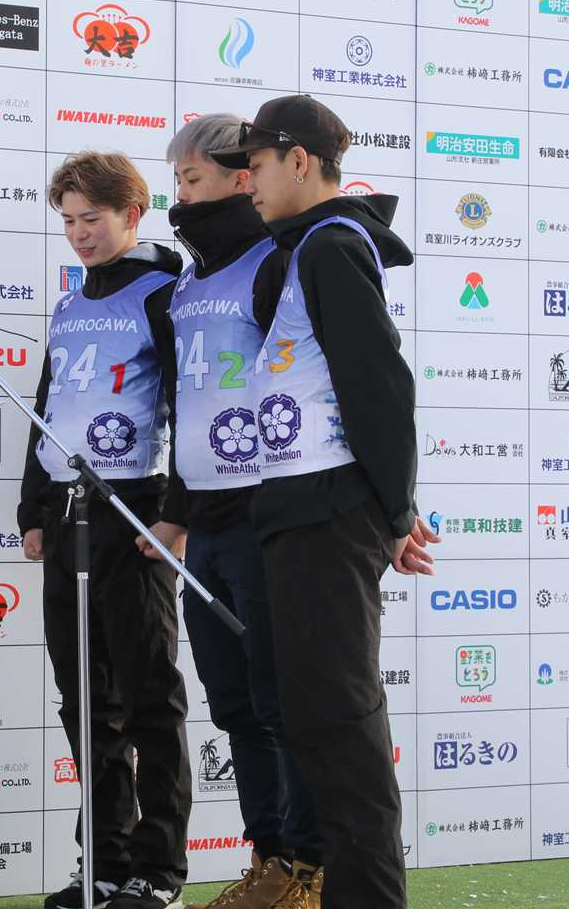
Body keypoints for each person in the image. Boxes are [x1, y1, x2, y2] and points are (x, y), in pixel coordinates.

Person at [210, 95, 437, 909]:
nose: (248, 182)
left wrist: (394, 513)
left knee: (339, 731)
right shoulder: (304, 248)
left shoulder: (333, 245)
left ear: (299, 161)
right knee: (318, 727)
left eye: (256, 165)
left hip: (327, 517)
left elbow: (381, 386)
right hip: (302, 513)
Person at [152, 114, 322, 909]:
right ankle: (269, 860)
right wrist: (176, 512)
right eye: (176, 182)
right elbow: (186, 402)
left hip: (266, 515)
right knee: (238, 708)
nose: (181, 197)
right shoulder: (189, 279)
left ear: (240, 176)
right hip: (207, 526)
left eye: (192, 180)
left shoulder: (275, 260)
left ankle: (310, 869)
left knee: (283, 702)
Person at [19, 150, 193, 909]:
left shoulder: (165, 293)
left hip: (134, 510)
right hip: (68, 516)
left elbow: (190, 404)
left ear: (132, 214)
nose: (79, 233)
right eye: (68, 221)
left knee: (149, 695)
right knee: (84, 700)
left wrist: (177, 513)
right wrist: (33, 509)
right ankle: (105, 863)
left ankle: (160, 870)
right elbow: (47, 405)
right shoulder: (69, 303)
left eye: (92, 218)